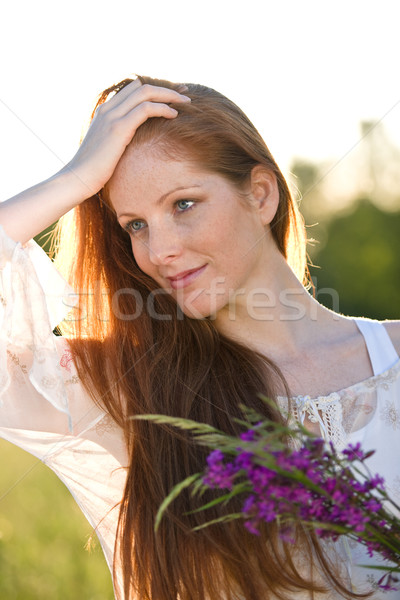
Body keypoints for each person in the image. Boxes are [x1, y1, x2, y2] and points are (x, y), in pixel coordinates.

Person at [0, 74, 399, 600]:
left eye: (182, 204)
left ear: (260, 195)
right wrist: (75, 179)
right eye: (135, 225)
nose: (159, 249)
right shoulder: (127, 391)